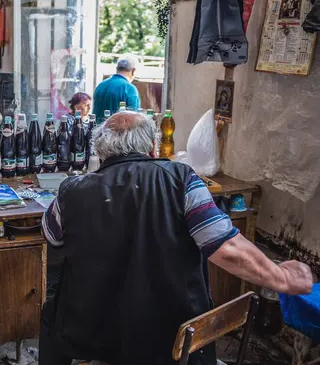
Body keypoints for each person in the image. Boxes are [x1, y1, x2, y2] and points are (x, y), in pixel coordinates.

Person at [39, 111, 313, 365]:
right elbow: (225, 246)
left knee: (50, 310)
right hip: (171, 338)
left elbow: (51, 235)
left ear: (99, 152)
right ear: (151, 148)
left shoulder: (72, 190)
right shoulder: (181, 180)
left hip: (95, 337)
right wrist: (282, 278)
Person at [92, 55, 141, 123]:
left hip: (96, 131)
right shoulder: (129, 88)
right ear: (133, 71)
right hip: (116, 132)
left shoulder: (101, 85)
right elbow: (134, 119)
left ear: (117, 68)